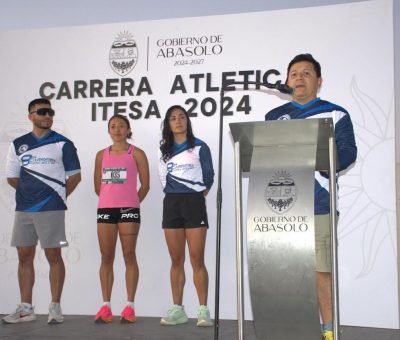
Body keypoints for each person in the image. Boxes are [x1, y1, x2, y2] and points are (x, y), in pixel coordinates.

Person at [265, 53, 357, 340]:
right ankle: (293, 329)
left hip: (319, 203)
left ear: (319, 81)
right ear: (287, 81)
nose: (299, 78)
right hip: (281, 205)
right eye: (294, 73)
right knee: (286, 271)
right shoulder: (272, 118)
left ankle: (328, 330)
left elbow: (348, 152)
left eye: (306, 73)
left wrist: (323, 162)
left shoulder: (336, 113)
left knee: (320, 270)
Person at [3, 98, 81, 324]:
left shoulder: (63, 143)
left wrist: (56, 196)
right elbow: (11, 178)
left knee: (53, 256)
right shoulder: (18, 143)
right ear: (31, 116)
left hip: (52, 210)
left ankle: (55, 307)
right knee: (24, 257)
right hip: (23, 210)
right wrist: (30, 194)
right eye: (42, 112)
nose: (48, 116)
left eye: (50, 112)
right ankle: (26, 308)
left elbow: (75, 176)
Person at [158, 105, 214, 327]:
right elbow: (163, 178)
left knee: (197, 259)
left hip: (194, 203)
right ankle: (178, 310)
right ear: (168, 123)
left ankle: (203, 310)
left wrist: (194, 194)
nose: (178, 121)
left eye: (182, 117)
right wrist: (175, 193)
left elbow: (208, 177)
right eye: (173, 118)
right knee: (176, 260)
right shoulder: (164, 149)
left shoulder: (200, 147)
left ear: (187, 121)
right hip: (171, 203)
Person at [93, 114, 149, 323]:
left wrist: (132, 202)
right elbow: (98, 187)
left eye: (121, 126)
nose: (117, 129)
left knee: (128, 255)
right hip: (106, 209)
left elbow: (145, 185)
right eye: (113, 126)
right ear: (109, 130)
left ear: (128, 129)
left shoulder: (138, 154)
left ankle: (129, 306)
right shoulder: (101, 155)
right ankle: (106, 306)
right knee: (106, 257)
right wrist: (112, 198)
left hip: (129, 210)